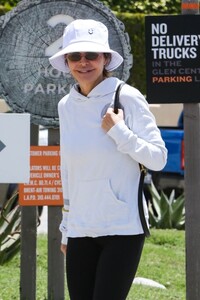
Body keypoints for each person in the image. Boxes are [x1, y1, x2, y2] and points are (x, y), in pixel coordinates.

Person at [49, 19, 167, 300]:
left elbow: (158, 158)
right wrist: (67, 228)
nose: (84, 62)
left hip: (122, 228)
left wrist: (119, 131)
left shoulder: (127, 97)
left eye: (92, 55)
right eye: (75, 56)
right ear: (66, 61)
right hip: (80, 229)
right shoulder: (66, 105)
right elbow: (68, 169)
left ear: (105, 58)